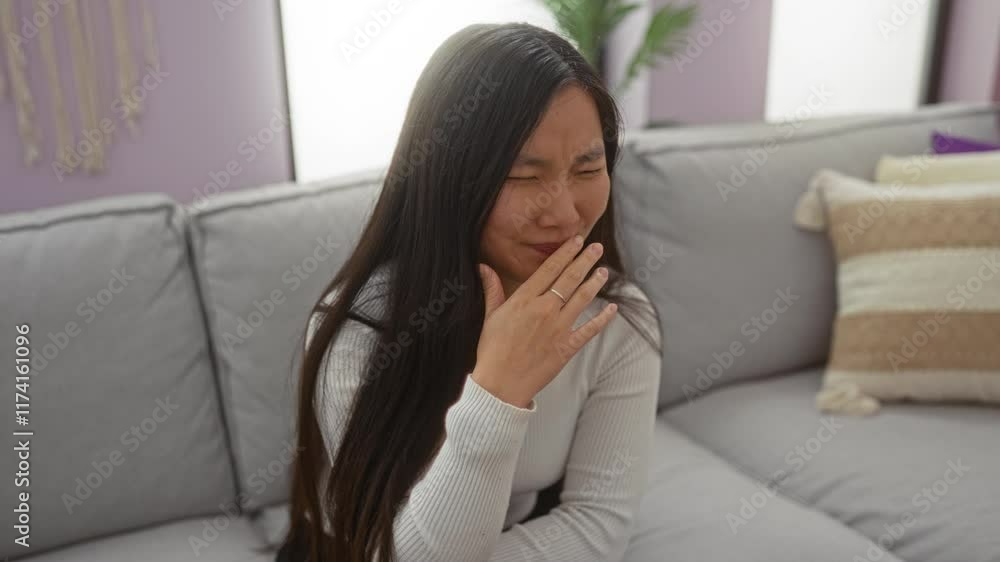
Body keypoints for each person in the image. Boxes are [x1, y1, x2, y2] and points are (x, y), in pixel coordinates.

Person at [276, 21, 662, 562]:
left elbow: (599, 521)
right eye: (523, 176)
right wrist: (498, 389)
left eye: (588, 167)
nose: (564, 212)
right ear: (446, 177)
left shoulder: (617, 319)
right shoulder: (361, 329)